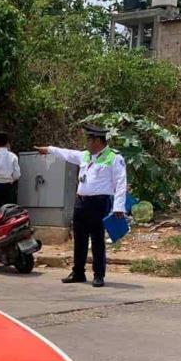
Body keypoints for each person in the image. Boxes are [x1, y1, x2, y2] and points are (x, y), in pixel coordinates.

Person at [36, 123, 127, 288]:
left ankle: (99, 275)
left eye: (89, 140)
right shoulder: (85, 155)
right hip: (81, 203)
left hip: (99, 203)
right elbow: (67, 154)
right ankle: (78, 272)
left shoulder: (114, 157)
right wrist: (48, 149)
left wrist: (118, 207)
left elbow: (121, 182)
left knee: (98, 239)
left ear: (98, 141)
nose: (87, 144)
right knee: (79, 239)